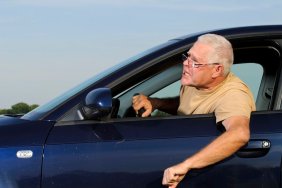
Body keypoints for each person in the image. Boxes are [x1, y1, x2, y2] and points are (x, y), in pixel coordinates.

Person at [132, 34, 256, 188]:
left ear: (217, 70)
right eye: (187, 56)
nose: (185, 63)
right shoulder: (196, 82)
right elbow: (186, 104)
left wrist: (187, 165)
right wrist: (156, 103)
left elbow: (239, 134)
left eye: (195, 62)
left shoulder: (233, 94)